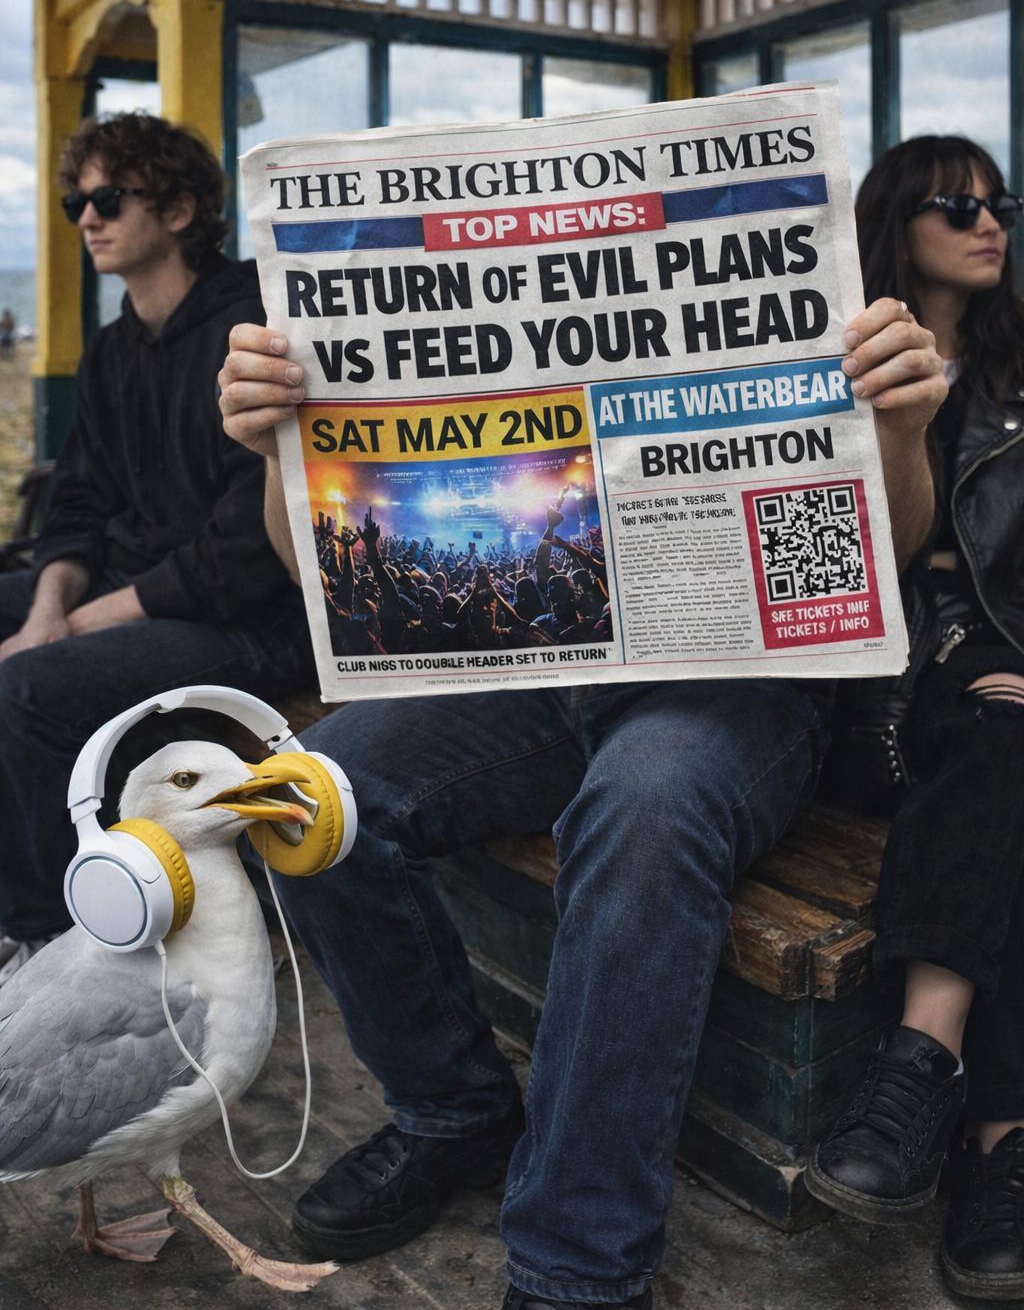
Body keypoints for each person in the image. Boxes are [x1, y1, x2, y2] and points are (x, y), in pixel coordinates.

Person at [219, 291, 945, 1309]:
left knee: (645, 815)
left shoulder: (830, 307)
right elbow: (319, 576)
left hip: (730, 686)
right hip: (526, 682)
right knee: (307, 795)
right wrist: (277, 452)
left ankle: (578, 1269)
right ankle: (451, 1112)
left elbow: (887, 554)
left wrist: (900, 432)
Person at [0, 112, 315, 984]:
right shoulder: (113, 348)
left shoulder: (253, 330)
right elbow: (77, 504)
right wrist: (49, 606)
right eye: (74, 202)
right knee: (27, 636)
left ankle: (45, 937)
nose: (86, 218)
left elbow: (244, 556)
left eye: (107, 198)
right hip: (137, 582)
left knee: (27, 687)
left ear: (178, 211)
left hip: (256, 618)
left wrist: (68, 627)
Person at [804, 136, 1024, 1300]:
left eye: (998, 206)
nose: (989, 226)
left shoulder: (1019, 373)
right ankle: (998, 1151)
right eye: (956, 205)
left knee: (1009, 741)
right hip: (871, 688)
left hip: (995, 681)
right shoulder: (831, 362)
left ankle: (921, 1071)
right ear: (898, 220)